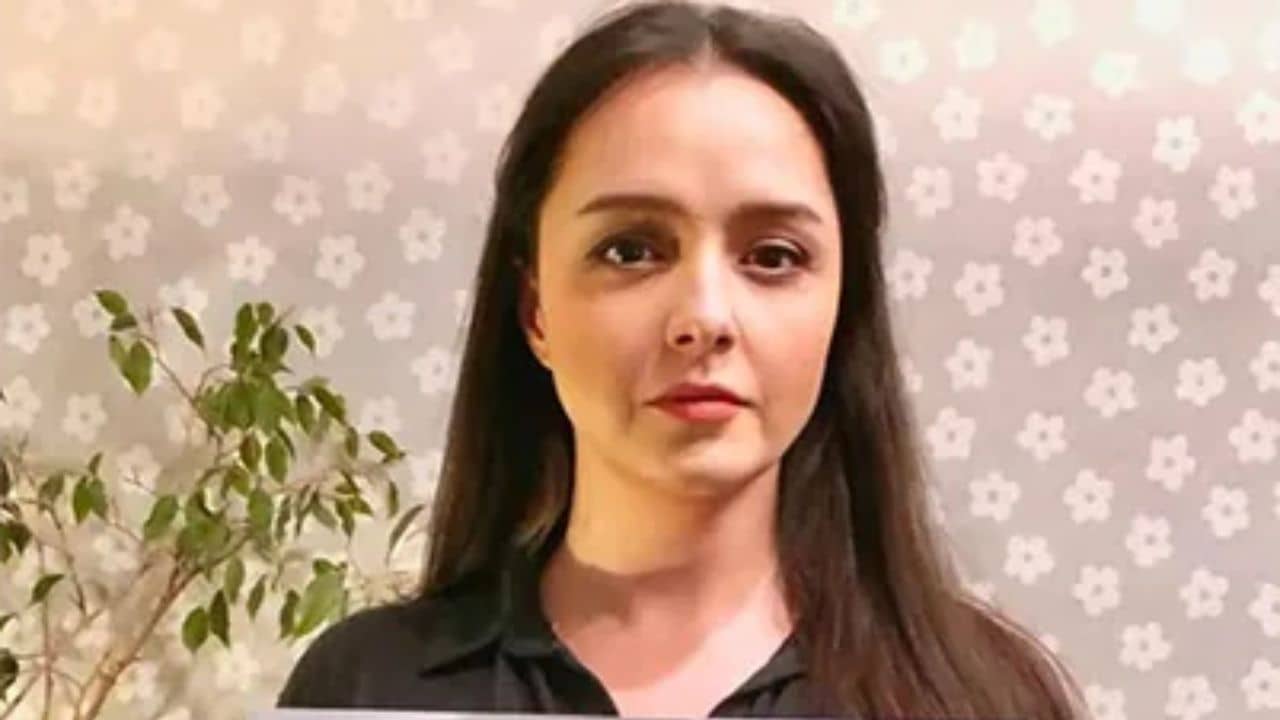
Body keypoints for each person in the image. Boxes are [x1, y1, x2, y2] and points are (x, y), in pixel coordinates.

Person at [276, 1, 1089, 717]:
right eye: (630, 250)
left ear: (843, 310)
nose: (703, 317)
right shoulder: (367, 686)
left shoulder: (986, 698)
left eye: (773, 256)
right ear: (535, 311)